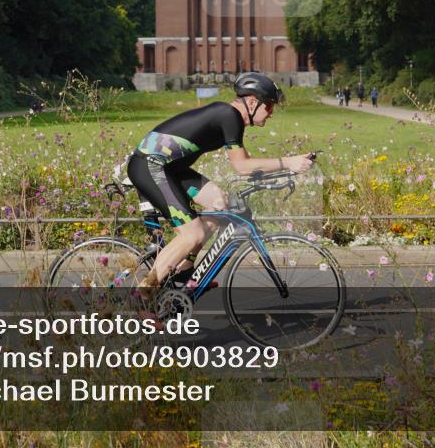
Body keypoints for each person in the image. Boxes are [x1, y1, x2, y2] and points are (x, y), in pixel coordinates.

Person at [129, 72, 314, 295]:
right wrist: (288, 162)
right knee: (192, 234)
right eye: (270, 106)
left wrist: (279, 171)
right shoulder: (229, 115)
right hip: (150, 166)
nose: (271, 113)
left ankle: (183, 271)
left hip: (170, 168)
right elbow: (242, 166)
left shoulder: (230, 117)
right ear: (253, 102)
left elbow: (246, 167)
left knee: (220, 204)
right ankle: (142, 295)